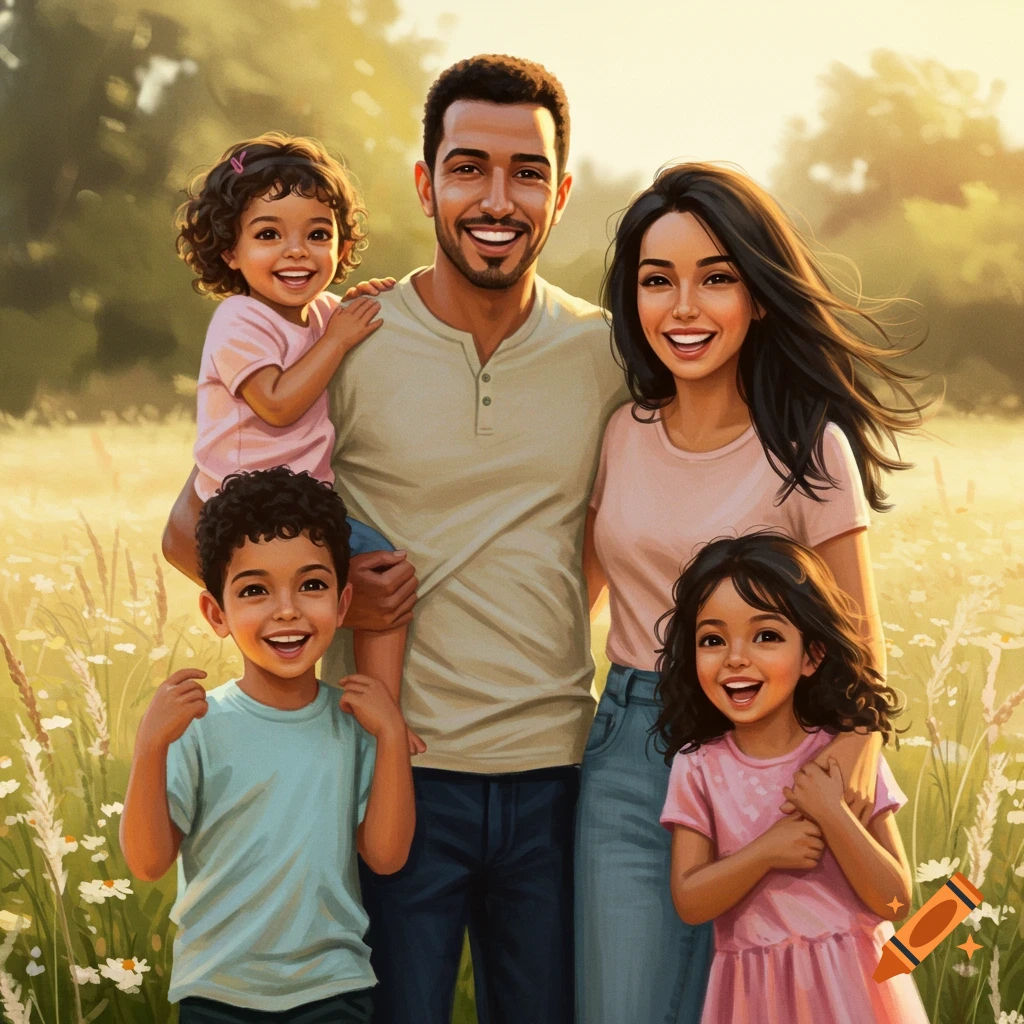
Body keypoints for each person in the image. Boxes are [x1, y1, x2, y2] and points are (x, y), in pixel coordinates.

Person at [575, 162, 927, 1022]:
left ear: (759, 297)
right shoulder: (622, 433)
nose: (684, 308)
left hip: (771, 747)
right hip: (631, 745)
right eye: (659, 281)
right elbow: (569, 598)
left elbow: (858, 654)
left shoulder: (810, 451)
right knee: (622, 1007)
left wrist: (841, 774)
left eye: (717, 278)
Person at [121, 468, 416, 1023]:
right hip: (218, 993)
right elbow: (147, 861)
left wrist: (393, 735)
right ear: (216, 613)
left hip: (333, 992)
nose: (287, 610)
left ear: (344, 601)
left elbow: (386, 854)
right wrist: (149, 747)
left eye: (311, 585)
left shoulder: (355, 723)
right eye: (255, 590)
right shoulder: (198, 726)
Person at [172, 133, 420, 752]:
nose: (297, 252)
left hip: (303, 509)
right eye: (268, 235)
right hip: (245, 510)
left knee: (383, 570)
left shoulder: (315, 312)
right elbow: (278, 404)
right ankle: (284, 720)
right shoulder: (240, 320)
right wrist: (338, 339)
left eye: (317, 234)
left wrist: (361, 306)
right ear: (229, 250)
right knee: (284, 606)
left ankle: (379, 715)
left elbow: (343, 322)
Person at [658, 532, 928, 1024]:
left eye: (766, 636)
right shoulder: (698, 767)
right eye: (713, 640)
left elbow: (895, 899)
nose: (736, 657)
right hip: (753, 997)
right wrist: (766, 852)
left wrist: (833, 813)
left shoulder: (845, 759)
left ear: (812, 655)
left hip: (856, 988)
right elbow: (690, 900)